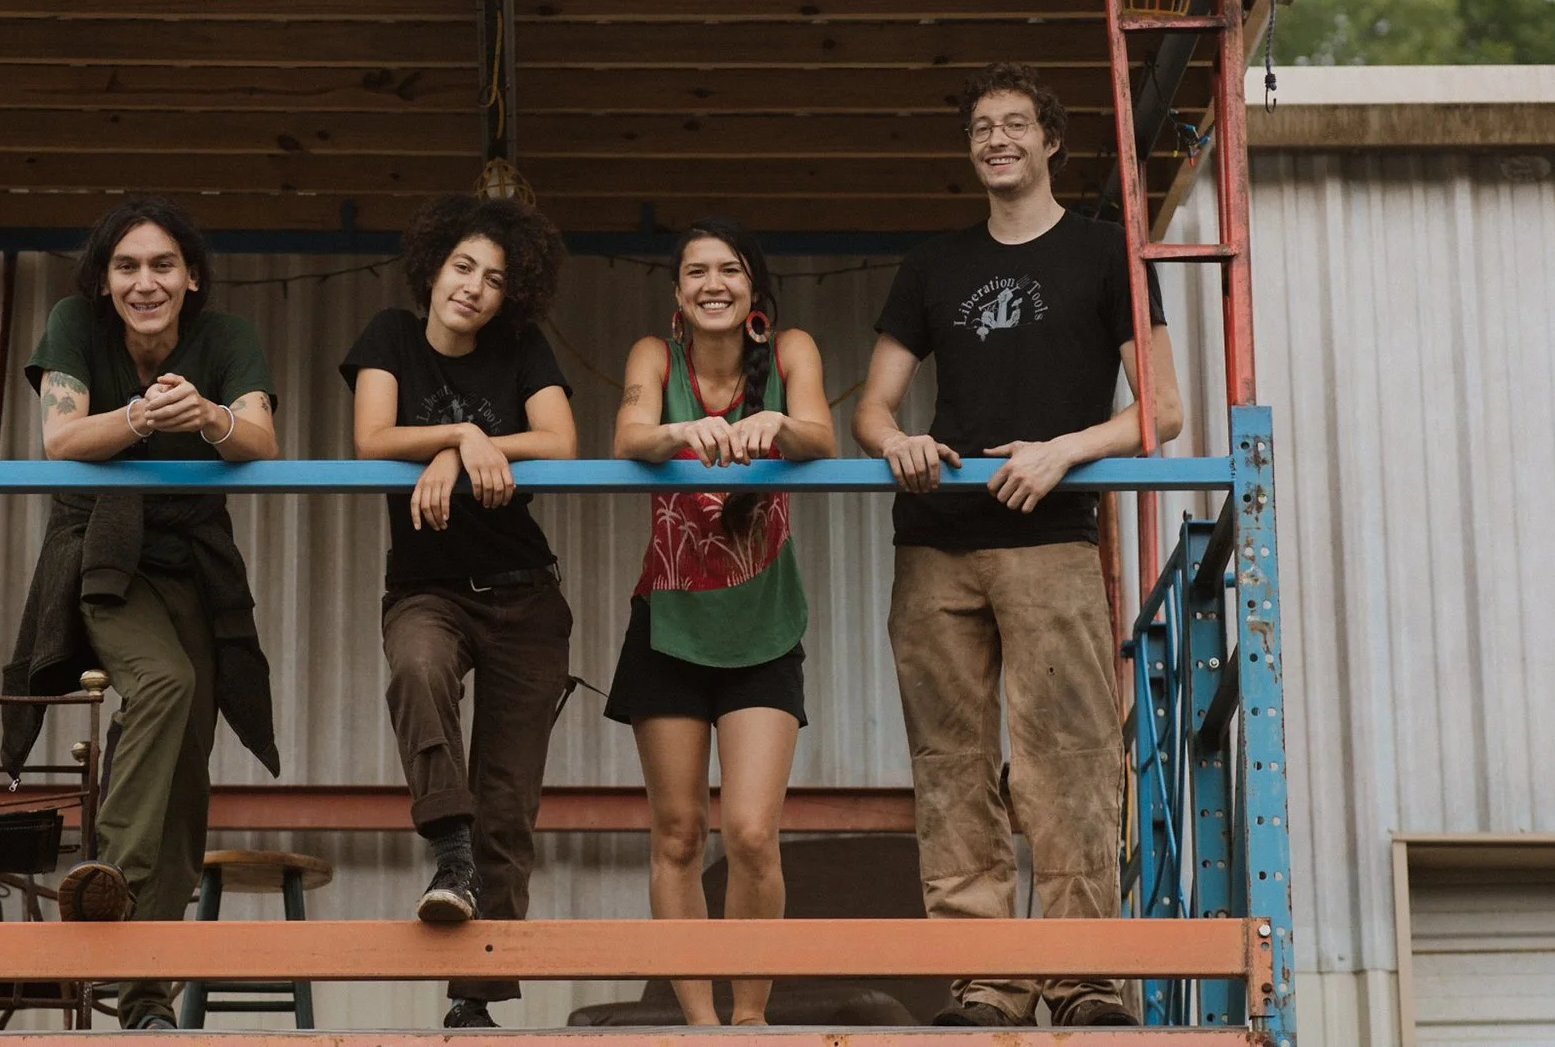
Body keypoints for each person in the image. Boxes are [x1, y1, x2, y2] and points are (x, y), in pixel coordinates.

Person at [851, 62, 1181, 1030]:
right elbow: (871, 406)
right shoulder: (933, 264)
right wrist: (898, 440)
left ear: (1050, 140)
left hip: (1050, 537)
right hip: (937, 543)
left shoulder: (1105, 253)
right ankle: (985, 979)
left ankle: (1082, 977)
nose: (996, 138)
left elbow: (1162, 409)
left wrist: (1062, 450)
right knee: (951, 765)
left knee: (1068, 758)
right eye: (981, 128)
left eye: (1014, 123)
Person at [0, 195, 282, 1030]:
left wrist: (210, 415)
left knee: (188, 771)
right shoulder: (74, 325)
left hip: (192, 559)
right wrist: (139, 416)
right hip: (103, 551)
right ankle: (110, 876)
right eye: (126, 266)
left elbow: (261, 437)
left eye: (163, 265)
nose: (145, 281)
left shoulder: (226, 338)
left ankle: (147, 994)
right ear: (103, 280)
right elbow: (59, 439)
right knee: (164, 682)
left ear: (192, 278)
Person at [340, 194, 578, 1031]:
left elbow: (560, 442)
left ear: (512, 295)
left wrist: (472, 447)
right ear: (434, 267)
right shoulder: (390, 338)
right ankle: (450, 851)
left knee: (508, 805)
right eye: (463, 266)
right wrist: (454, 438)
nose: (474, 286)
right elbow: (372, 437)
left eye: (495, 278)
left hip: (526, 593)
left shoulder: (521, 349)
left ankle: (474, 999)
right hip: (428, 589)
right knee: (416, 666)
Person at [608, 218, 833, 1027]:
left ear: (753, 289)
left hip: (763, 625)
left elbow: (821, 433)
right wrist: (680, 432)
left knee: (749, 832)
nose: (713, 283)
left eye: (730, 270)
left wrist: (777, 425)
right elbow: (629, 435)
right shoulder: (654, 356)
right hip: (669, 623)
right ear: (677, 292)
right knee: (676, 833)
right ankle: (701, 1024)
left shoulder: (791, 351)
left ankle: (749, 1019)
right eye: (697, 271)